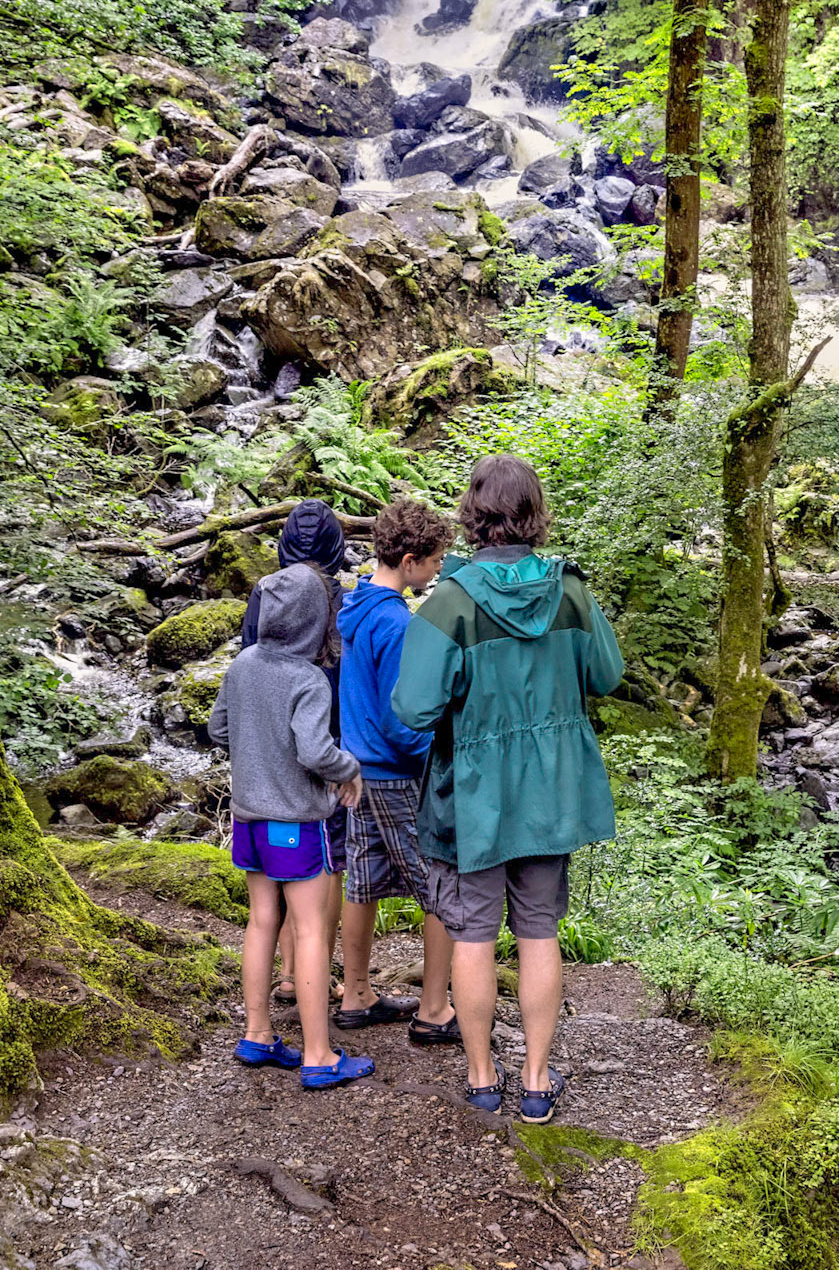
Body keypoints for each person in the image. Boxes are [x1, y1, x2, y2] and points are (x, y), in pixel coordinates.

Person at [392, 453, 624, 1121]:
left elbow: (412, 709)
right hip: (552, 792)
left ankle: (481, 1075)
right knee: (538, 933)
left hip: (473, 799)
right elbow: (607, 675)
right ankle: (537, 1078)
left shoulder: (452, 602)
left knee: (472, 935)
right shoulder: (571, 592)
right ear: (534, 515)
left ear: (474, 514)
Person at [209, 563, 375, 1090]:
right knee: (306, 930)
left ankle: (257, 1034)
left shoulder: (242, 665)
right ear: (315, 619)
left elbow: (218, 729)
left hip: (249, 819)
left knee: (261, 921)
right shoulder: (307, 678)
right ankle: (320, 1055)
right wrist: (348, 768)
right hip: (297, 824)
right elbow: (313, 751)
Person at [336, 497, 460, 1042]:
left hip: (359, 771)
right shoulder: (393, 623)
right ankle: (434, 1009)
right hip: (394, 773)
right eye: (433, 561)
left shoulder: (357, 605)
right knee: (439, 884)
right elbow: (400, 716)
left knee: (361, 881)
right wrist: (432, 755)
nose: (436, 571)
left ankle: (356, 992)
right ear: (408, 560)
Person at [241, 499, 352, 1010]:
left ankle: (287, 978)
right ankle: (312, 975)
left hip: (262, 765)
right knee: (322, 870)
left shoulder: (264, 594)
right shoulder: (339, 600)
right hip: (322, 754)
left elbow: (250, 663)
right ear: (335, 546)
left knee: (269, 895)